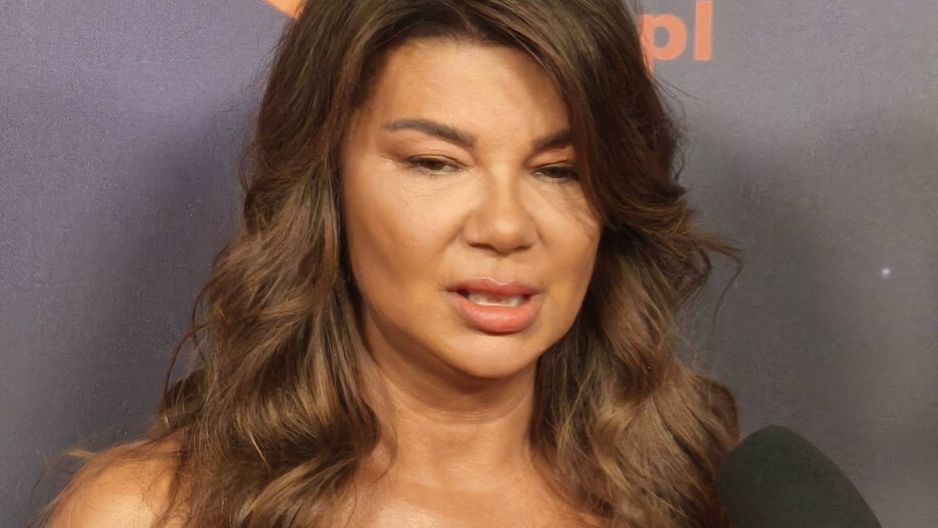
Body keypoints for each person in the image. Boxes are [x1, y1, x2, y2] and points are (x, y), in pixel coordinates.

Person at [36, 1, 742, 526]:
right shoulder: (154, 514)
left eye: (559, 171)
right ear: (327, 185)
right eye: (436, 163)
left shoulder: (700, 503)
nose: (504, 226)